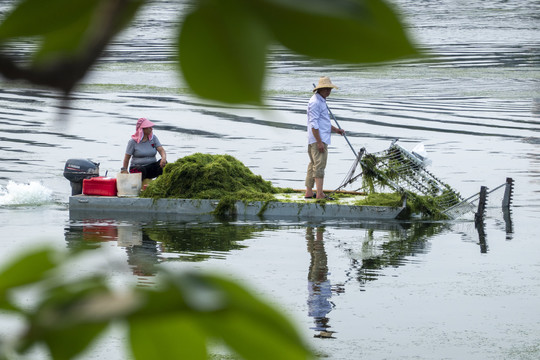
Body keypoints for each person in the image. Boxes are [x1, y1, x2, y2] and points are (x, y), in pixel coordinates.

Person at [305, 76, 345, 200]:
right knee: (319, 166)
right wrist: (319, 142)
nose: (329, 91)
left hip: (318, 138)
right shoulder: (316, 102)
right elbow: (314, 124)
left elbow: (324, 123)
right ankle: (320, 194)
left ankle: (309, 192)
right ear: (320, 89)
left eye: (329, 89)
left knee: (313, 164)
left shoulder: (321, 100)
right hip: (318, 140)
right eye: (326, 89)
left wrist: (336, 130)